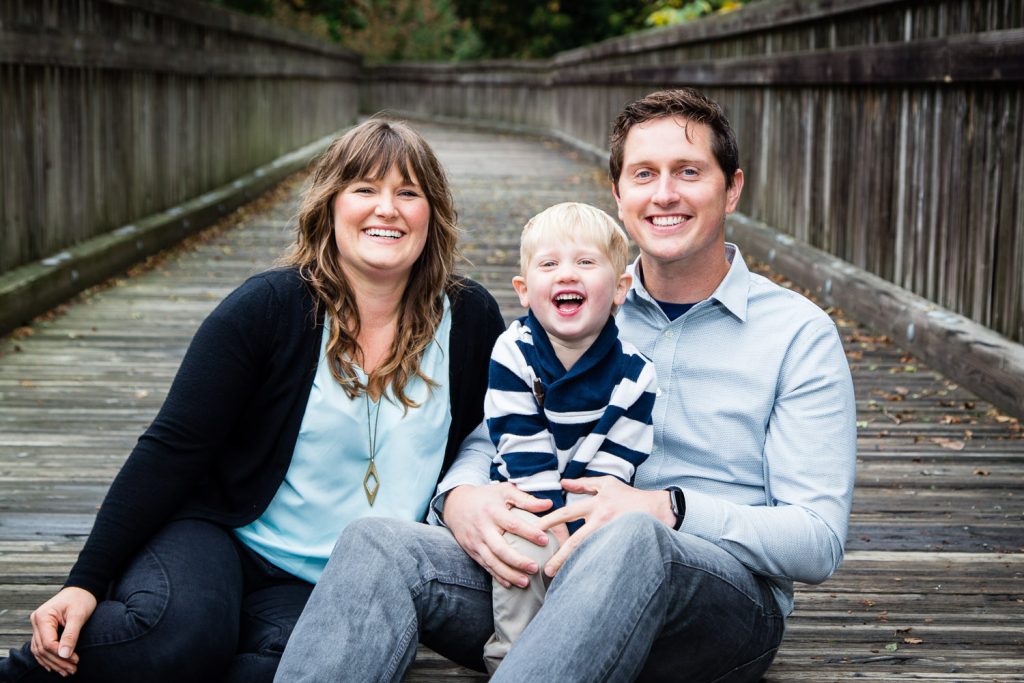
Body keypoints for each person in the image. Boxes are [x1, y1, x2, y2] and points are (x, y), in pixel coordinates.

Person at [275, 88, 856, 682]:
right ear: (618, 195)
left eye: (689, 172)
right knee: (377, 545)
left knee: (631, 539)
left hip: (712, 601)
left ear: (731, 187)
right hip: (547, 567)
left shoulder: (796, 334)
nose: (664, 194)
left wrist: (668, 510)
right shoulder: (579, 300)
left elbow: (815, 540)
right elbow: (501, 425)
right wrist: (460, 497)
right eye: (643, 174)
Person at [0, 118, 504, 683]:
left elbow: (494, 441)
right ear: (330, 205)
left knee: (279, 671)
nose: (386, 208)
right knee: (177, 638)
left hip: (338, 581)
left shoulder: (471, 318)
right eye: (364, 189)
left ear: (431, 214)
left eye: (408, 193)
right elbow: (170, 448)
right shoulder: (268, 307)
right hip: (224, 538)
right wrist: (84, 581)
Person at [481, 202, 657, 673]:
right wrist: (552, 523)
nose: (567, 274)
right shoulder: (513, 351)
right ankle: (512, 658)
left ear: (621, 288)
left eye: (585, 262)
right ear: (524, 290)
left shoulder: (636, 374)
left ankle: (578, 652)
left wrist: (580, 525)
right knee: (525, 547)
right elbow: (519, 443)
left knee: (607, 554)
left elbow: (618, 462)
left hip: (594, 500)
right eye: (549, 264)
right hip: (525, 496)